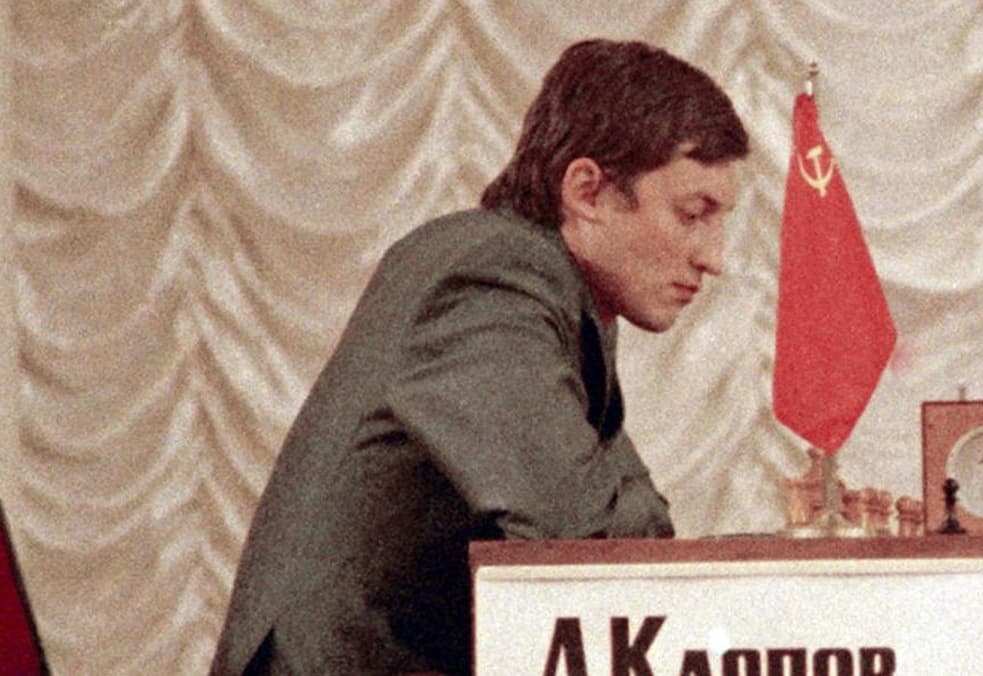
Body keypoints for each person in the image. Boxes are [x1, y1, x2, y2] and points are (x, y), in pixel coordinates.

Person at [210, 39, 748, 674]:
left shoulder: (547, 291)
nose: (713, 258)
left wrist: (618, 504)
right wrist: (618, 505)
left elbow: (628, 525)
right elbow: (585, 534)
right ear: (587, 191)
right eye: (692, 214)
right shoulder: (495, 278)